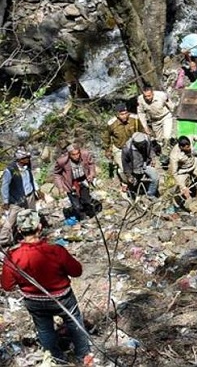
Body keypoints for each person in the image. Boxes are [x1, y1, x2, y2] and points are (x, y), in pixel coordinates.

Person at [1, 210, 92, 365]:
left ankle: (56, 359)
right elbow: (76, 271)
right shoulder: (55, 251)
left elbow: (7, 286)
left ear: (19, 230)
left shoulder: (13, 257)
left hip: (34, 301)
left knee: (44, 330)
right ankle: (83, 356)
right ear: (40, 227)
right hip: (62, 297)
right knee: (74, 321)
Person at [1, 150, 41, 247]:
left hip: (29, 196)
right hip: (16, 199)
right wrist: (5, 201)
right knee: (11, 220)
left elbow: (32, 179)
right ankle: (3, 239)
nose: (27, 159)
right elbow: (4, 186)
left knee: (32, 215)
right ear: (19, 159)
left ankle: (32, 237)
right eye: (25, 158)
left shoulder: (27, 167)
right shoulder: (10, 170)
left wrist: (37, 190)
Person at [52, 144, 98, 220]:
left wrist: (91, 174)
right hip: (71, 184)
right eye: (73, 155)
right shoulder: (62, 161)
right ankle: (82, 218)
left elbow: (91, 164)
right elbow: (56, 173)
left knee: (86, 200)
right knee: (76, 205)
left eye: (78, 153)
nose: (76, 156)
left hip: (83, 180)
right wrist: (60, 187)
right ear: (69, 155)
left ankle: (89, 215)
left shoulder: (85, 155)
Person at [103, 103, 140, 187]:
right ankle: (126, 183)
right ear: (117, 114)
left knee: (136, 166)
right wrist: (107, 149)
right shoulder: (111, 124)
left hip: (133, 147)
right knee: (123, 169)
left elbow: (142, 132)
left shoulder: (135, 119)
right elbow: (106, 137)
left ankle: (138, 181)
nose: (124, 116)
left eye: (126, 113)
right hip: (119, 148)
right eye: (121, 114)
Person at [136, 84, 176, 161]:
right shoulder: (140, 100)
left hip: (165, 117)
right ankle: (164, 149)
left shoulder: (161, 95)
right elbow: (141, 113)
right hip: (154, 120)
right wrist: (145, 126)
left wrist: (174, 112)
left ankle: (166, 155)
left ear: (153, 93)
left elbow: (170, 105)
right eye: (145, 96)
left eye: (149, 96)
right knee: (159, 140)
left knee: (167, 137)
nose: (147, 98)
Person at [169, 135, 197, 202]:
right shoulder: (174, 156)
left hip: (194, 165)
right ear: (181, 147)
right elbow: (174, 173)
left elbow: (194, 136)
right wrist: (182, 186)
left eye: (189, 146)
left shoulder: (189, 139)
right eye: (187, 148)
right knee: (183, 190)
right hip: (183, 171)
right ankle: (190, 203)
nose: (189, 149)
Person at [121, 132, 159, 198]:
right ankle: (132, 194)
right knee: (133, 183)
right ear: (134, 142)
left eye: (143, 144)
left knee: (155, 178)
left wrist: (153, 158)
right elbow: (125, 164)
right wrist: (129, 175)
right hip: (134, 168)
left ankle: (150, 195)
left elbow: (150, 149)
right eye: (140, 144)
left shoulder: (147, 140)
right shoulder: (126, 149)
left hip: (146, 164)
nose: (142, 146)